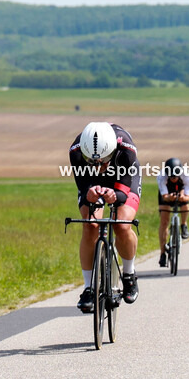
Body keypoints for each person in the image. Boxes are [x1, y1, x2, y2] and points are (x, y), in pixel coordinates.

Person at [69, 122, 142, 313]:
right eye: (92, 162)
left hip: (122, 178)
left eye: (102, 161)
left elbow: (124, 193)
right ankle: (88, 287)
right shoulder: (76, 151)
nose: (98, 166)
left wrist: (115, 195)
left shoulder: (126, 150)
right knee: (90, 225)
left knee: (122, 225)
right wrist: (89, 193)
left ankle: (129, 273)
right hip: (93, 182)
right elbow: (83, 186)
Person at [156, 157, 189, 267]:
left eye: (175, 176)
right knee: (164, 221)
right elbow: (164, 196)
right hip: (167, 192)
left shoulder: (188, 176)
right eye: (171, 176)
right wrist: (169, 198)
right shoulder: (161, 176)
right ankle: (162, 253)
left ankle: (183, 225)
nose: (173, 178)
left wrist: (182, 197)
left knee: (185, 205)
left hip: (182, 190)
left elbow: (187, 197)